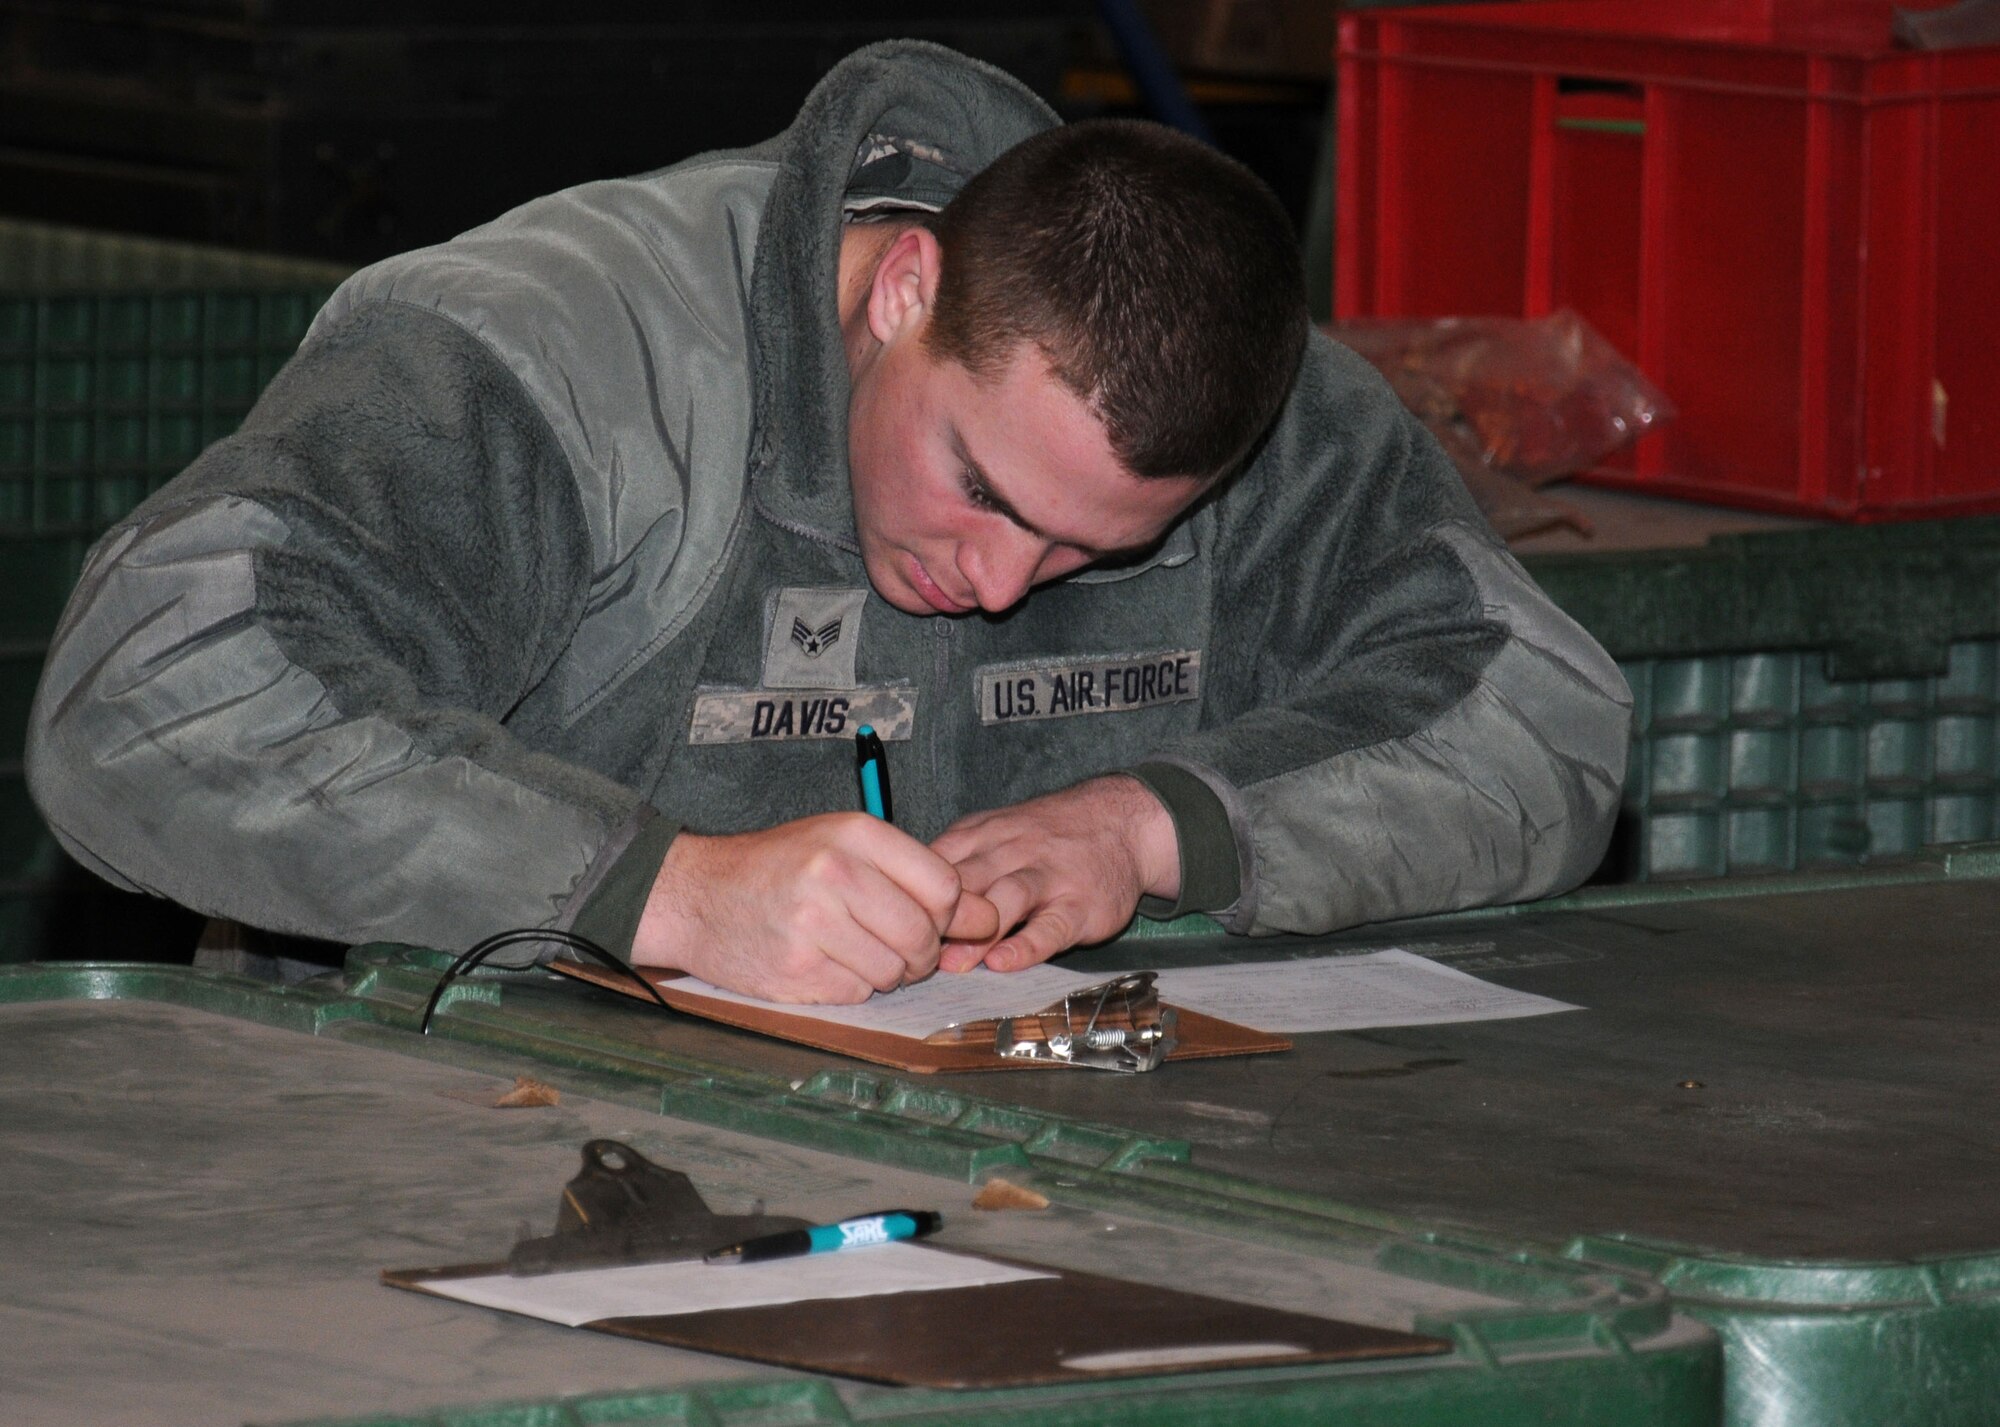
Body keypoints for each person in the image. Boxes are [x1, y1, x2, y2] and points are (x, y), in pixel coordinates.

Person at [25, 42, 1632, 1003]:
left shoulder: (1231, 407)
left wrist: (1157, 829)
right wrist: (666, 894)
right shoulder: (556, 362)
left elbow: (1544, 721)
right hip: (432, 1154)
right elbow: (150, 698)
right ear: (907, 289)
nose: (1001, 582)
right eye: (983, 489)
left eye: (1098, 553)